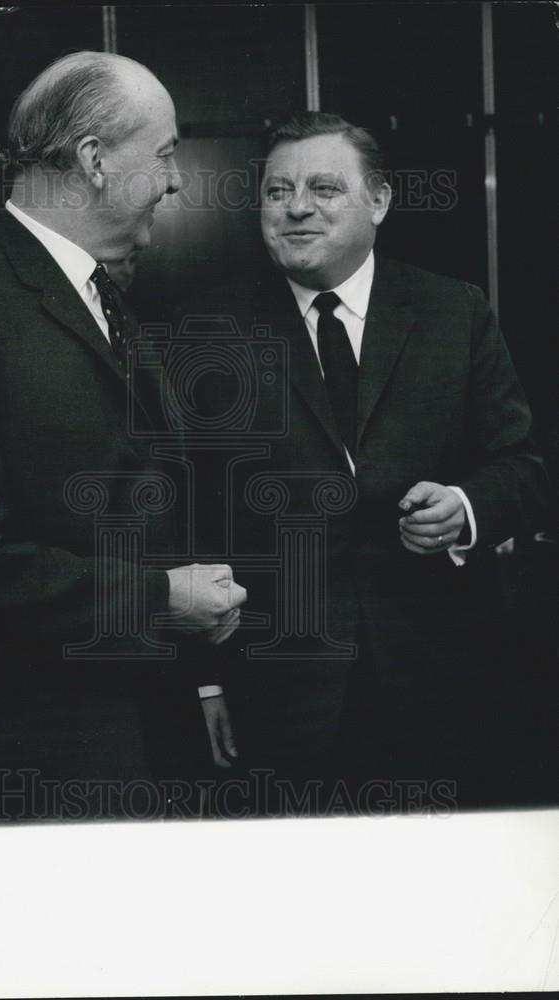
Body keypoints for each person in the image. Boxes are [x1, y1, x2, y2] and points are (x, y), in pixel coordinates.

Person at [0, 51, 245, 825]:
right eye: (167, 153)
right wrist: (160, 600)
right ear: (95, 160)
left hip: (135, 743)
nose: (176, 182)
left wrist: (198, 679)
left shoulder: (108, 299)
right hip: (15, 762)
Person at [182, 112, 548, 814]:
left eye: (323, 187)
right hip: (278, 695)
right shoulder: (207, 329)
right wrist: (205, 682)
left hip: (444, 681)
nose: (295, 207)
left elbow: (522, 469)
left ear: (377, 201)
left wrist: (465, 509)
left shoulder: (453, 312)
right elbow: (185, 516)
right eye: (277, 190)